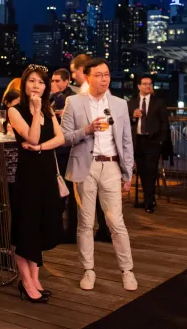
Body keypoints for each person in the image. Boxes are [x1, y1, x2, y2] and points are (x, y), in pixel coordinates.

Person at [61, 58, 138, 292]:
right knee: (85, 221)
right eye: (98, 75)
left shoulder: (119, 104)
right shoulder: (73, 102)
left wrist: (128, 172)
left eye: (106, 74)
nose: (104, 79)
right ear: (87, 77)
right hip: (86, 166)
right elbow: (65, 137)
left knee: (116, 221)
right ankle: (88, 270)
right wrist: (87, 130)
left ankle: (127, 271)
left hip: (112, 167)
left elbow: (126, 140)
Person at [8, 65, 65, 303]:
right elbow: (30, 137)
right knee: (26, 227)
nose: (36, 86)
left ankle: (35, 278)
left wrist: (41, 147)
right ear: (24, 84)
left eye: (41, 82)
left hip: (46, 173)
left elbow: (60, 139)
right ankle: (26, 282)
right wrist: (34, 111)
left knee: (41, 224)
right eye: (31, 81)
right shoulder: (15, 110)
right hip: (26, 175)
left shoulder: (49, 111)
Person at [69, 54, 111, 242]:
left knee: (88, 202)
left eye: (73, 72)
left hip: (91, 152)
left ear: (82, 71)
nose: (73, 77)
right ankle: (104, 230)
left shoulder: (86, 91)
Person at [128, 74, 169, 213]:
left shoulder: (158, 102)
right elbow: (127, 122)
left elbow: (164, 123)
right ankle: (148, 199)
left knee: (151, 171)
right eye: (144, 83)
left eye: (149, 84)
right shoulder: (132, 102)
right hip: (138, 140)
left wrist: (160, 140)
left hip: (152, 141)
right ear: (139, 86)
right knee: (142, 170)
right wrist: (133, 117)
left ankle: (149, 201)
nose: (147, 86)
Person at [51, 68, 78, 241]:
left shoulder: (68, 98)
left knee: (67, 192)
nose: (54, 84)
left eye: (58, 81)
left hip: (66, 150)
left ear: (66, 81)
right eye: (52, 81)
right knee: (59, 192)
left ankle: (69, 232)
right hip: (57, 150)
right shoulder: (53, 97)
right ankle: (59, 229)